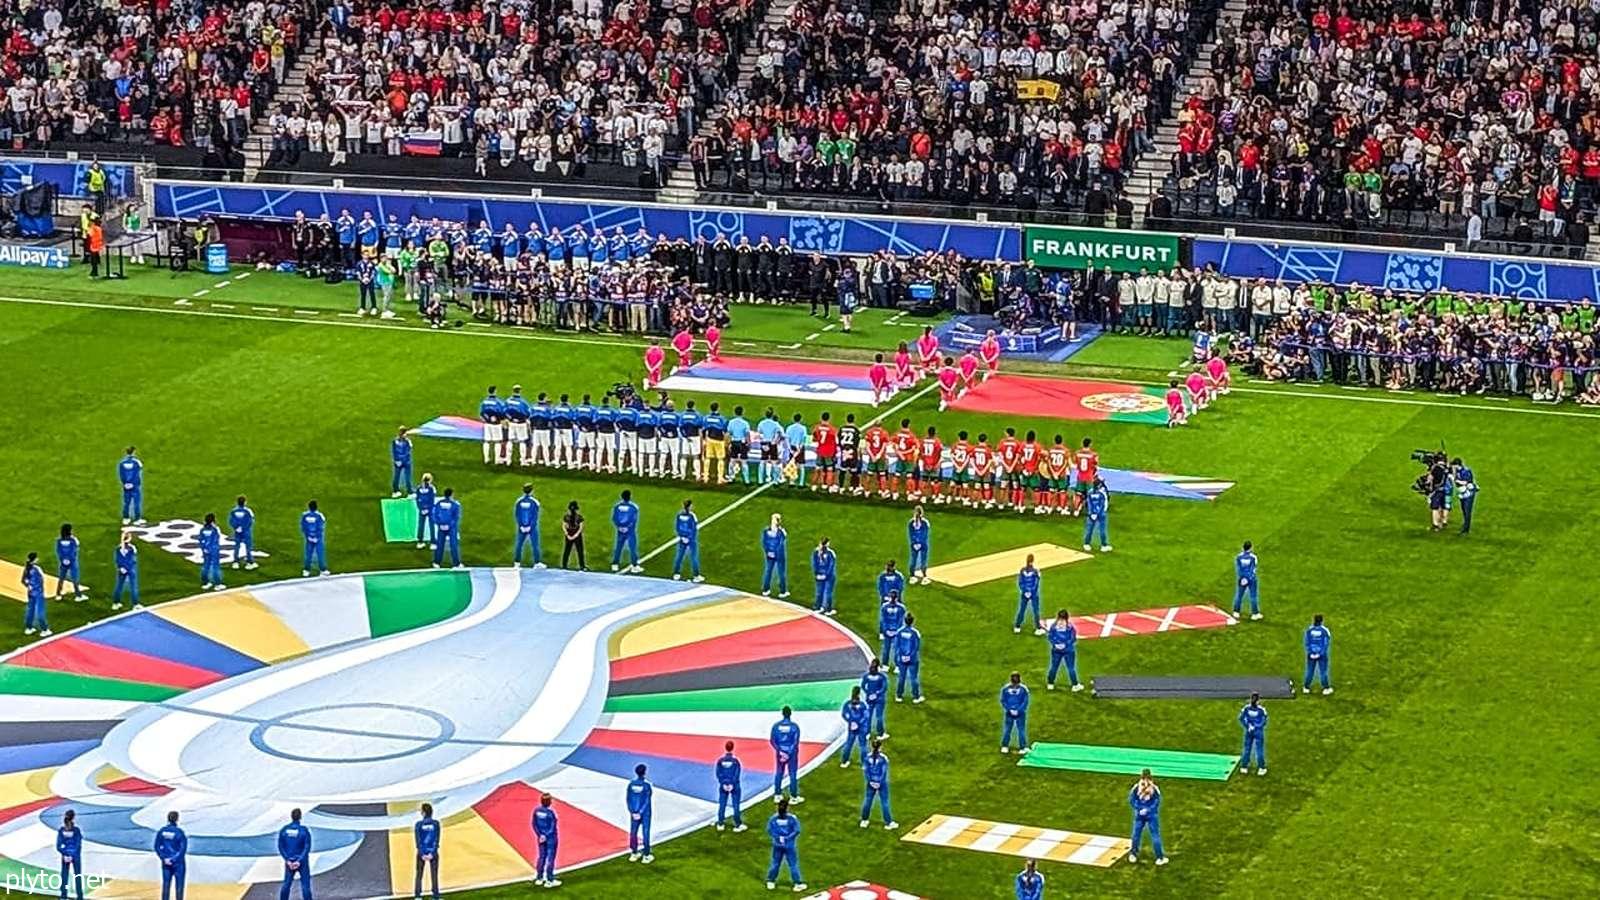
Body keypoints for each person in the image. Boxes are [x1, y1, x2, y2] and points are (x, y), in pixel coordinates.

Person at [1127, 769, 1167, 864]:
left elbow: (1132, 799)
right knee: (1155, 835)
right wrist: (1148, 810)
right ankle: (1159, 857)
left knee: (1136, 834)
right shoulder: (1154, 788)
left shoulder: (1137, 787)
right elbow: (1157, 801)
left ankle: (1133, 854)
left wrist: (1139, 809)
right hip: (1151, 814)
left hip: (1139, 814)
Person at [765, 798, 805, 891]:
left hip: (777, 845)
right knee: (793, 864)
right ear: (787, 808)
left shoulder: (773, 819)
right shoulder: (792, 819)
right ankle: (797, 883)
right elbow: (797, 830)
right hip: (789, 845)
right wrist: (788, 838)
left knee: (775, 863)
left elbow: (770, 830)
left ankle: (771, 881)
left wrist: (778, 838)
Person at [859, 738, 897, 829]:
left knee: (868, 800)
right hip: (882, 783)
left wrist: (871, 781)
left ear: (871, 747)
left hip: (870, 782)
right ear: (880, 747)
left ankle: (864, 820)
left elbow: (866, 771)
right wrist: (879, 782)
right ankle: (888, 823)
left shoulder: (867, 758)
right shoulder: (883, 758)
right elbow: (884, 772)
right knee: (884, 802)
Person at [769, 706, 803, 801]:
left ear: (782, 713)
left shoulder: (776, 726)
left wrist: (780, 752)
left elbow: (772, 740)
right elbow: (795, 742)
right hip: (792, 754)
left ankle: (777, 795)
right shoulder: (794, 727)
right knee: (792, 774)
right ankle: (793, 796)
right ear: (790, 714)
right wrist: (788, 753)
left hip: (780, 753)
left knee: (779, 773)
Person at [277, 808, 312, 900]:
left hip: (289, 861)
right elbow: (307, 847)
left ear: (291, 817)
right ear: (300, 817)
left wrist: (287, 860)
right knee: (305, 886)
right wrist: (300, 860)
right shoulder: (304, 831)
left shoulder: (284, 830)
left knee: (286, 884)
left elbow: (281, 846)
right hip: (302, 862)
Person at [1044, 609, 1082, 691]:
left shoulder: (1054, 626)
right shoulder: (1069, 627)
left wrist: (1056, 644)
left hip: (1056, 650)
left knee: (1054, 667)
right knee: (1071, 668)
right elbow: (1073, 638)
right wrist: (1065, 645)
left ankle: (1050, 684)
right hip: (1068, 650)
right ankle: (1075, 685)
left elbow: (1050, 636)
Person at [714, 741, 746, 832]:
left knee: (722, 804)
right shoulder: (735, 761)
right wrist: (731, 784)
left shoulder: (720, 761)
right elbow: (737, 774)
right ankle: (737, 824)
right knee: (736, 805)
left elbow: (718, 773)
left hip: (723, 785)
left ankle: (720, 823)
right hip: (734, 786)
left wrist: (723, 783)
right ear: (733, 748)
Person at [154, 811, 187, 900]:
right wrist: (173, 859)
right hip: (178, 863)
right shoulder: (179, 832)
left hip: (165, 862)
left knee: (166, 885)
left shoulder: (162, 831)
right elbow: (182, 849)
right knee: (179, 887)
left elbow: (157, 846)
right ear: (177, 819)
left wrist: (164, 858)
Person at [893, 614, 924, 703]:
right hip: (912, 658)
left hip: (901, 658)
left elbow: (897, 646)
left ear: (904, 621)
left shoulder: (899, 631)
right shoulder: (915, 632)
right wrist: (909, 656)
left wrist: (902, 656)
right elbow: (916, 646)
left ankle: (899, 696)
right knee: (913, 677)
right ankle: (916, 697)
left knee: (901, 677)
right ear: (912, 622)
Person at [626, 763, 654, 863]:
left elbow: (628, 799)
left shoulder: (631, 784)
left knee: (633, 832)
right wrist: (641, 812)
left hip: (634, 812)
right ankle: (646, 855)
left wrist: (633, 812)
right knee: (645, 832)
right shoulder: (647, 785)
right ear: (644, 773)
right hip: (645, 813)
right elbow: (647, 800)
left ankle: (634, 853)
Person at [532, 793, 561, 888]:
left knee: (541, 857)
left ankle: (539, 878)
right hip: (551, 838)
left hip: (541, 838)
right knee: (550, 859)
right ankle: (549, 879)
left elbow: (534, 824)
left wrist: (540, 835)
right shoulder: (550, 813)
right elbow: (552, 827)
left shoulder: (536, 811)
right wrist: (546, 835)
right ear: (549, 802)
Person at [413, 803, 441, 900]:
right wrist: (432, 853)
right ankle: (436, 895)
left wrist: (422, 853)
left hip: (422, 852)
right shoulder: (436, 824)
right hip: (432, 852)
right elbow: (437, 839)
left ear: (423, 812)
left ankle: (417, 895)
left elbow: (418, 840)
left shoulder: (418, 824)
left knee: (419, 874)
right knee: (434, 874)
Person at [758, 513, 789, 598]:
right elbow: (780, 543)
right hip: (779, 555)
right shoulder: (781, 531)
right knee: (781, 572)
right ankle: (783, 591)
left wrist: (768, 551)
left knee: (768, 571)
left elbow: (764, 542)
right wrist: (775, 552)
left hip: (769, 554)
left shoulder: (766, 530)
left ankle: (765, 589)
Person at [839, 685, 871, 767]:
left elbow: (844, 714)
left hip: (852, 726)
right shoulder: (862, 705)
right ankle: (864, 763)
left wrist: (851, 722)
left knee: (849, 743)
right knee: (863, 745)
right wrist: (858, 723)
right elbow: (866, 716)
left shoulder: (847, 704)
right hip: (861, 727)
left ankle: (844, 761)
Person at [999, 671, 1030, 754]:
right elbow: (1025, 701)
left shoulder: (1005, 689)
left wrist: (1009, 709)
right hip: (1020, 713)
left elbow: (1003, 701)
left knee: (1008, 729)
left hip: (1010, 712)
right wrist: (1019, 710)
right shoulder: (1024, 689)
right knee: (1021, 730)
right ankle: (1022, 747)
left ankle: (1005, 746)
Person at [611, 490, 641, 572]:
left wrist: (619, 527)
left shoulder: (617, 506)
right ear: (630, 497)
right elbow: (633, 519)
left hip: (620, 530)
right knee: (632, 547)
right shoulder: (634, 507)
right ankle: (634, 565)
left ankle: (615, 564)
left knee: (618, 547)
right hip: (630, 530)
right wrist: (627, 527)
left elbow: (614, 518)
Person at [57, 808, 84, 900]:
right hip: (75, 856)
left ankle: (63, 896)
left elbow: (58, 845)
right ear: (73, 818)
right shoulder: (76, 830)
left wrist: (65, 853)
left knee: (64, 876)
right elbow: (78, 844)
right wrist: (72, 855)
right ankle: (79, 897)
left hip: (65, 856)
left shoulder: (61, 830)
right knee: (77, 876)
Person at [432, 488, 462, 569]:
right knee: (453, 545)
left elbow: (434, 515)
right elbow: (456, 518)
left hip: (441, 527)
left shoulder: (438, 503)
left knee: (440, 545)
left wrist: (439, 524)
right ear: (452, 495)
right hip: (451, 528)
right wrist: (449, 525)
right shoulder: (455, 505)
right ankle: (456, 564)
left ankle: (436, 562)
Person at [1238, 691, 1268, 775]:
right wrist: (1257, 726)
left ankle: (1244, 767)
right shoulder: (1261, 709)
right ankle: (1261, 768)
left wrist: (1248, 726)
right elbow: (1264, 720)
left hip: (1249, 730)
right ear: (1258, 700)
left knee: (1247, 748)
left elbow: (1241, 718)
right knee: (1259, 749)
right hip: (1258, 731)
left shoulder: (1246, 708)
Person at [672, 499, 702, 581]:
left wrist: (681, 536)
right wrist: (689, 538)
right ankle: (696, 575)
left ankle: (676, 573)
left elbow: (677, 527)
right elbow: (693, 529)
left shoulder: (679, 515)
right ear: (689, 506)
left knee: (679, 556)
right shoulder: (692, 516)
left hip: (682, 538)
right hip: (691, 539)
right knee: (694, 557)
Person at [513, 484, 542, 568]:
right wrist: (530, 526)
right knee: (535, 544)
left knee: (519, 544)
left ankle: (517, 563)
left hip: (521, 527)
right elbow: (535, 516)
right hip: (532, 528)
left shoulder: (519, 501)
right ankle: (537, 563)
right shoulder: (535, 502)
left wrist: (521, 525)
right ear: (532, 491)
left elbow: (517, 515)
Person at [54, 523, 85, 600]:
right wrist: (69, 559)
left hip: (63, 562)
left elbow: (58, 551)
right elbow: (73, 551)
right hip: (72, 562)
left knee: (61, 578)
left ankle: (58, 594)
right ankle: (78, 595)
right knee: (75, 578)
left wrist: (63, 559)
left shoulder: (59, 540)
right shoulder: (73, 540)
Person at [877, 590, 907, 669]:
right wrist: (886, 630)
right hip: (888, 630)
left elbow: (900, 620)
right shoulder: (885, 606)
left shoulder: (901, 608)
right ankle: (885, 664)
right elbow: (883, 620)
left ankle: (897, 665)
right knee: (887, 648)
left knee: (896, 648)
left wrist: (896, 631)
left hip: (896, 631)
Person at [1014, 554, 1043, 634]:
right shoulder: (1035, 571)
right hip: (1033, 594)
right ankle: (1038, 628)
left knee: (1022, 610)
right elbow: (1036, 584)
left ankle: (1017, 626)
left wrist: (1025, 591)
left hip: (1024, 593)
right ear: (1033, 561)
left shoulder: (1022, 570)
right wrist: (1031, 592)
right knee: (1036, 610)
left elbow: (1020, 582)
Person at [1303, 614, 1332, 695]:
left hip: (1311, 654)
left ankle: (1306, 687)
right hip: (1321, 655)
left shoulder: (1309, 630)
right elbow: (1326, 643)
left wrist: (1310, 652)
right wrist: (1320, 653)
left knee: (1309, 671)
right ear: (1322, 621)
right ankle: (1326, 688)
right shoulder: (1324, 631)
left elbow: (1307, 642)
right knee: (1323, 671)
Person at [860, 659, 889, 740]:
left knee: (868, 716)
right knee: (879, 716)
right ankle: (880, 734)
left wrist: (868, 693)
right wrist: (877, 694)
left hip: (869, 698)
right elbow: (884, 688)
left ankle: (867, 733)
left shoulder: (866, 676)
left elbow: (863, 686)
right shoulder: (881, 677)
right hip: (879, 699)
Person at [112, 531, 140, 611]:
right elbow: (132, 560)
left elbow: (117, 560)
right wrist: (128, 568)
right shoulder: (132, 548)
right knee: (133, 586)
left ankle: (115, 603)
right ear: (129, 538)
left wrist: (121, 568)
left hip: (121, 569)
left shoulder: (118, 548)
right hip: (130, 569)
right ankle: (135, 604)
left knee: (119, 586)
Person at [1232, 541, 1260, 620]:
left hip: (1242, 578)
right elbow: (1253, 569)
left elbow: (1239, 569)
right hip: (1251, 579)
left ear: (1243, 547)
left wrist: (1243, 578)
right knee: (1253, 596)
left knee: (1239, 595)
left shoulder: (1239, 557)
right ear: (1251, 548)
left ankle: (1236, 612)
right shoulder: (1253, 557)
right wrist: (1248, 578)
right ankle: (1255, 614)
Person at [300, 500, 328, 577]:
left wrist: (308, 536)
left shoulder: (304, 515)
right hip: (318, 539)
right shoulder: (319, 515)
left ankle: (306, 570)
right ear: (316, 507)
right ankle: (323, 570)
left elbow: (303, 527)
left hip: (308, 538)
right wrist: (316, 537)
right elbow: (321, 527)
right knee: (320, 554)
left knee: (308, 554)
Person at [480, 386, 507, 465]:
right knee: (497, 442)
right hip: (496, 425)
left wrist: (486, 419)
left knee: (487, 441)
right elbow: (502, 413)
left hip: (487, 424)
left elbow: (481, 413)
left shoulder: (484, 402)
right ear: (495, 391)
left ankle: (486, 459)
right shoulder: (498, 402)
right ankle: (497, 459)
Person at [810, 537, 837, 615]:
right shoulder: (830, 553)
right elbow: (831, 565)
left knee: (819, 591)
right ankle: (828, 610)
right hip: (829, 576)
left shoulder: (816, 552)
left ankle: (818, 607)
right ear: (827, 544)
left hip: (819, 575)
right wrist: (825, 575)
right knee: (828, 592)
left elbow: (814, 564)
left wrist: (817, 574)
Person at [1082, 478, 1111, 551]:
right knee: (1102, 530)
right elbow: (1103, 505)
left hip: (1091, 513)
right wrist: (1098, 513)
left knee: (1089, 529)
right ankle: (1104, 545)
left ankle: (1086, 544)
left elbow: (1089, 504)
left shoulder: (1090, 492)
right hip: (1101, 514)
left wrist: (1092, 513)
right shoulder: (1102, 493)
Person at [119, 446, 145, 525]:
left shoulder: (122, 463)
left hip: (126, 485)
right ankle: (137, 519)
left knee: (126, 502)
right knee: (136, 502)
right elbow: (140, 468)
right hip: (135, 485)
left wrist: (125, 483)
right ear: (134, 452)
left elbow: (121, 474)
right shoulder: (136, 462)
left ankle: (126, 518)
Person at [229, 496, 257, 570]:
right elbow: (250, 521)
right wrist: (243, 528)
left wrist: (236, 527)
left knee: (237, 546)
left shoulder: (233, 511)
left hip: (237, 531)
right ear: (245, 502)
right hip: (246, 531)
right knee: (248, 546)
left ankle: (235, 562)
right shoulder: (248, 511)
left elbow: (231, 521)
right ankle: (249, 562)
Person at [198, 514, 224, 591]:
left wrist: (204, 548)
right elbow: (216, 538)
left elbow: (200, 539)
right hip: (214, 549)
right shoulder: (215, 529)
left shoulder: (202, 529)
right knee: (215, 567)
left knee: (206, 565)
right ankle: (217, 584)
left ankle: (206, 582)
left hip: (205, 550)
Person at [1452, 458, 1478, 535]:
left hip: (1469, 493)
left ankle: (1466, 529)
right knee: (1464, 510)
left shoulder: (1466, 471)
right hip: (1462, 494)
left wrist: (1457, 481)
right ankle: (1465, 525)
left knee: (1467, 511)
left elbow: (1466, 482)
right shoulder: (1457, 471)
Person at [906, 507, 931, 584]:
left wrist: (916, 543)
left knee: (914, 559)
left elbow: (912, 534)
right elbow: (924, 534)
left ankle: (913, 576)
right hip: (921, 544)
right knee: (921, 560)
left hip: (918, 544)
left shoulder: (912, 523)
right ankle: (923, 577)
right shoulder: (923, 522)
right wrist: (917, 543)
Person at [561, 501, 587, 571]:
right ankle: (582, 566)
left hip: (569, 534)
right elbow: (581, 527)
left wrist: (567, 534)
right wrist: (576, 535)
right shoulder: (579, 517)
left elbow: (563, 526)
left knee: (567, 550)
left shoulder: (566, 517)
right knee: (580, 551)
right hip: (577, 535)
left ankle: (564, 565)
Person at [414, 474, 436, 549]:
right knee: (431, 525)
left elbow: (417, 500)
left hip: (422, 509)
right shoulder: (432, 488)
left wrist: (421, 509)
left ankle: (420, 542)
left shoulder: (418, 488)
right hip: (430, 510)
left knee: (421, 525)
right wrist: (428, 509)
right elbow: (432, 500)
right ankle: (433, 542)